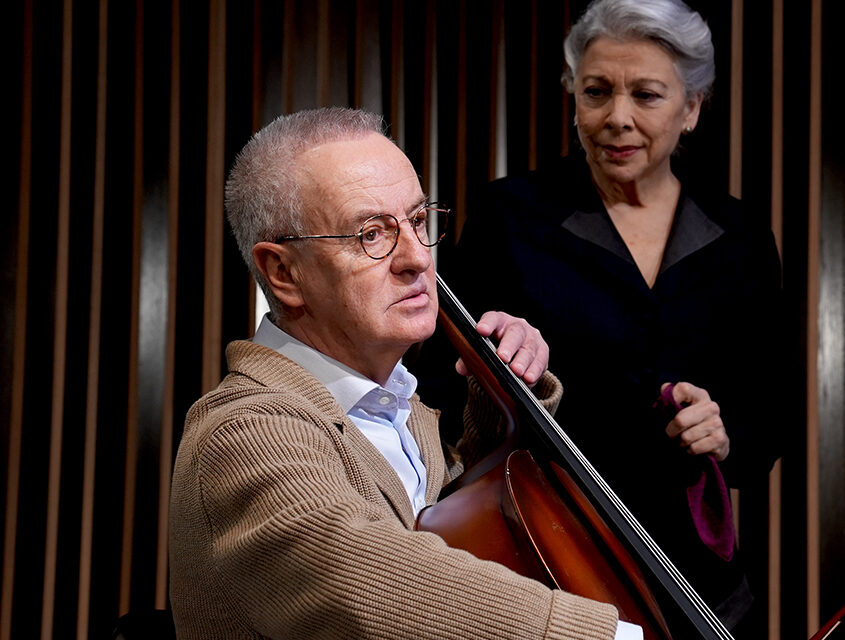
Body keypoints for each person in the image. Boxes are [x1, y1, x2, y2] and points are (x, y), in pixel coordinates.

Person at [167, 107, 644, 639]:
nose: (418, 259)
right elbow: (366, 579)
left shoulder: (401, 409)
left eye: (418, 221)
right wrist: (611, 635)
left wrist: (504, 400)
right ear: (284, 273)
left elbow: (454, 534)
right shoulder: (245, 432)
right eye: (372, 234)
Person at [416, 0, 784, 633]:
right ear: (574, 97)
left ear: (692, 107)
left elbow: (766, 435)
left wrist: (723, 435)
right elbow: (441, 392)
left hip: (699, 583)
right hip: (547, 559)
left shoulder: (742, 238)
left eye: (646, 95)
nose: (617, 118)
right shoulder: (511, 217)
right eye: (596, 92)